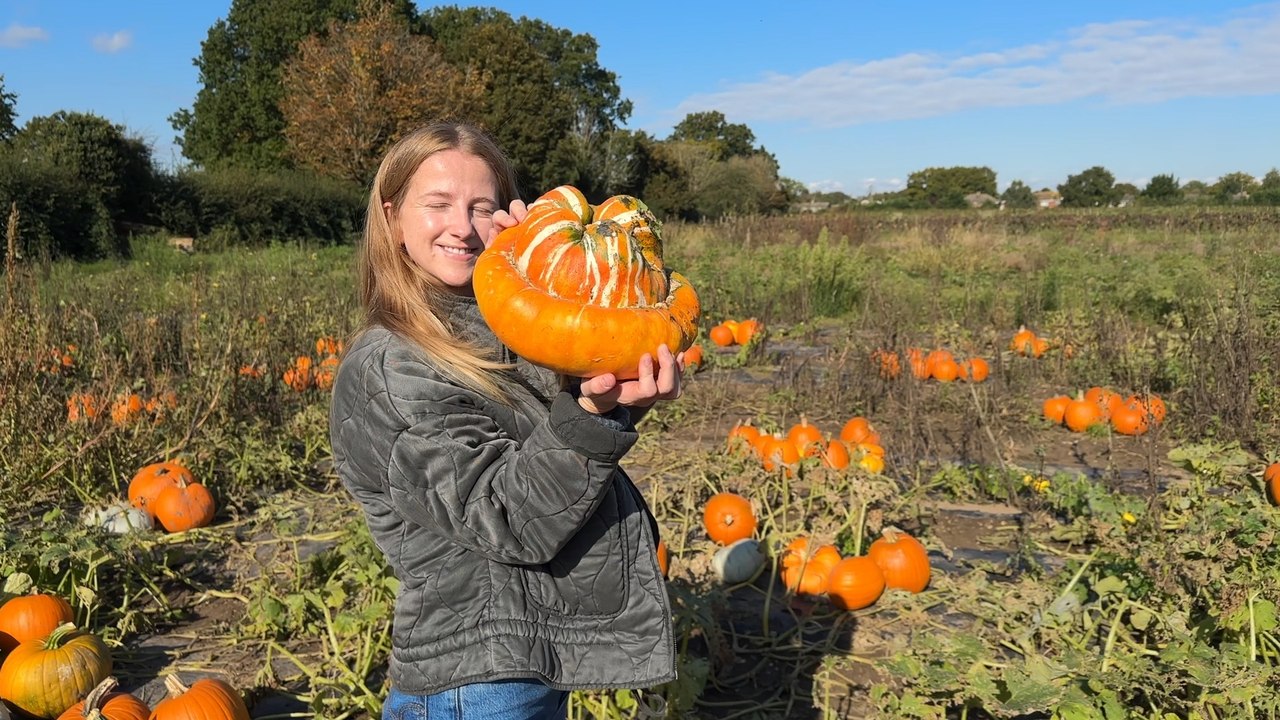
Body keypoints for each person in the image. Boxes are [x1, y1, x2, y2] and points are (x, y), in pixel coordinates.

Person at [329, 121, 680, 720]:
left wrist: (546, 270)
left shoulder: (508, 331)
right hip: (477, 684)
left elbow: (589, 374)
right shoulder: (389, 368)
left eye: (481, 207)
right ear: (392, 218)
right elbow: (508, 518)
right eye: (437, 204)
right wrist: (592, 416)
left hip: (529, 660)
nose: (462, 228)